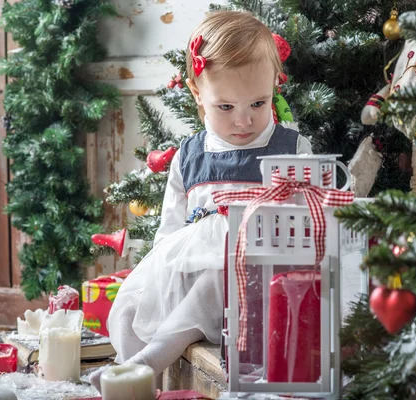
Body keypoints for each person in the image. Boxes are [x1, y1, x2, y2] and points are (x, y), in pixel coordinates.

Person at [88, 10, 312, 391]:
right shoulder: (189, 155)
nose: (243, 121)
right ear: (197, 94)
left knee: (213, 280)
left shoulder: (291, 149)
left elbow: (307, 224)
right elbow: (169, 230)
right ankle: (135, 382)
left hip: (253, 277)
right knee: (129, 304)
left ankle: (153, 358)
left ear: (275, 85)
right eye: (226, 107)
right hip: (189, 265)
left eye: (258, 104)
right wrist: (158, 279)